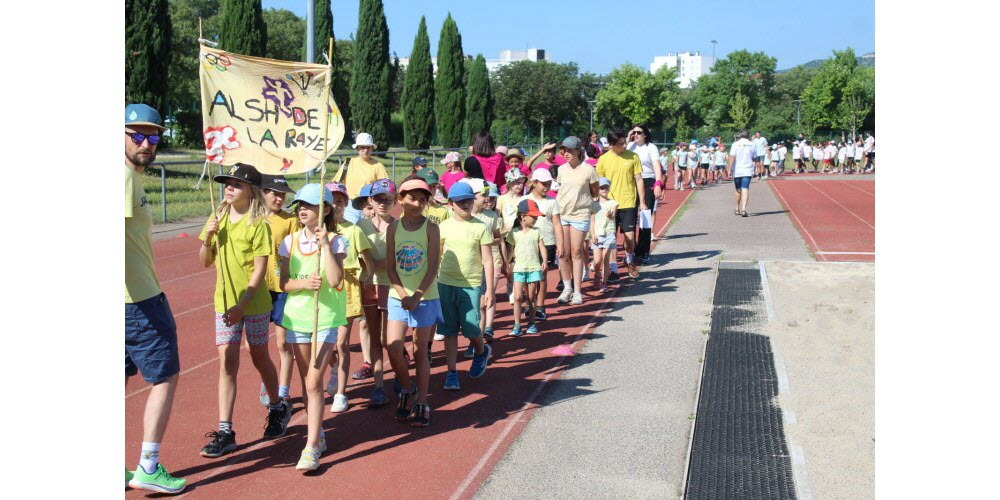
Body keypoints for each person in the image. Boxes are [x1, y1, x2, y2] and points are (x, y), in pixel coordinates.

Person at [198, 163, 291, 459]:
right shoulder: (217, 217)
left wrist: (243, 305)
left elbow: (260, 270)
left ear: (250, 190)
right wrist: (208, 238)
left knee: (259, 356)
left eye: (236, 184)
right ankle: (225, 430)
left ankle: (277, 407)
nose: (229, 187)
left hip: (254, 304)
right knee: (227, 360)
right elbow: (204, 261)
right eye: (227, 182)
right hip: (224, 303)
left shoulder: (258, 224)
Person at [124, 103, 187, 494]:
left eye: (153, 136)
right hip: (138, 301)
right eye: (137, 135)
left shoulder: (130, 178)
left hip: (130, 299)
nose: (146, 142)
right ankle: (148, 464)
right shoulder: (124, 181)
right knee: (164, 376)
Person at [276, 183, 347, 472]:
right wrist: (303, 284)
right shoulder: (289, 242)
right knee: (307, 382)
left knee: (314, 382)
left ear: (326, 209)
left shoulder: (337, 241)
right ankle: (318, 434)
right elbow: (282, 283)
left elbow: (335, 280)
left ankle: (310, 446)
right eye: (299, 205)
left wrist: (326, 247)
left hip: (326, 318)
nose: (302, 209)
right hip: (297, 319)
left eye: (309, 204)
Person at [385, 177, 446, 427]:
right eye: (411, 198)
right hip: (398, 296)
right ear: (400, 200)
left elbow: (432, 268)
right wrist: (403, 295)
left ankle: (422, 400)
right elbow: (390, 268)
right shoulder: (393, 228)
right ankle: (407, 388)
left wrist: (417, 295)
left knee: (421, 350)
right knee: (393, 346)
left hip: (425, 297)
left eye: (422, 200)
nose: (417, 203)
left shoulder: (431, 228)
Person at [436, 181, 495, 392]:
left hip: (470, 284)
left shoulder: (480, 226)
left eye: (468, 200)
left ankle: (481, 350)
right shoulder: (443, 227)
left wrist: (489, 290)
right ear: (451, 204)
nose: (464, 204)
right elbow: (437, 256)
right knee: (449, 330)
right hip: (445, 283)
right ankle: (451, 373)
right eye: (460, 201)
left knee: (471, 326)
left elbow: (487, 260)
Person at [324, 182, 376, 413]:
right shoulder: (318, 231)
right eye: (331, 201)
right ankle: (333, 368)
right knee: (324, 347)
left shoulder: (353, 231)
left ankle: (340, 393)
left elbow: (369, 262)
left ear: (346, 204)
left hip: (347, 289)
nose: (336, 205)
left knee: (341, 343)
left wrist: (367, 277)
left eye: (340, 201)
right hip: (323, 292)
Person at [257, 175, 299, 408]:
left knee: (283, 343)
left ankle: (282, 391)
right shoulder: (254, 220)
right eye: (273, 192)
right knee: (257, 345)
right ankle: (269, 378)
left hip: (282, 288)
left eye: (282, 193)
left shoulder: (290, 220)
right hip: (260, 288)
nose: (278, 197)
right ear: (262, 193)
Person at [355, 180, 397, 407]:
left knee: (389, 339)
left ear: (395, 201)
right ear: (371, 200)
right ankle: (379, 386)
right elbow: (357, 259)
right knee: (375, 337)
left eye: (388, 199)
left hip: (392, 288)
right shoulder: (360, 227)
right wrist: (376, 265)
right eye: (378, 198)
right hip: (369, 286)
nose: (383, 203)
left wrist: (374, 263)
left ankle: (400, 375)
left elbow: (396, 262)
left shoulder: (400, 226)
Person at [554, 136, 600, 305]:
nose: (566, 153)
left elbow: (595, 191)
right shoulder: (561, 170)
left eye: (570, 150)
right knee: (563, 253)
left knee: (576, 251)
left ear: (579, 151)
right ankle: (567, 288)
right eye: (564, 150)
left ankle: (578, 291)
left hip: (580, 214)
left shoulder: (588, 170)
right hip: (563, 214)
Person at [597, 128, 645, 279]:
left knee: (630, 239)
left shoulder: (633, 157)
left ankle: (629, 259)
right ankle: (613, 270)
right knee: (611, 240)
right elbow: (599, 183)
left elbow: (638, 179)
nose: (624, 146)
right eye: (620, 144)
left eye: (625, 142)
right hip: (610, 204)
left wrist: (642, 202)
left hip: (628, 202)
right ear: (611, 145)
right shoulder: (603, 159)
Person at [521, 169, 561, 320]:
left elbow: (557, 224)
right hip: (528, 244)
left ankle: (540, 306)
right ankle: (528, 303)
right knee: (527, 276)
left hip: (548, 242)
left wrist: (560, 244)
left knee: (542, 276)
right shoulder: (524, 200)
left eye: (549, 184)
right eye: (543, 184)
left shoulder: (552, 201)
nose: (547, 187)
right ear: (534, 183)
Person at [505, 199, 548, 336]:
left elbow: (542, 247)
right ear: (522, 216)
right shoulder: (514, 233)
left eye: (536, 217)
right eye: (533, 216)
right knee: (517, 297)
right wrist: (507, 263)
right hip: (519, 269)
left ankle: (531, 322)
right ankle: (517, 325)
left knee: (531, 297)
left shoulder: (537, 231)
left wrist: (545, 261)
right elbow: (510, 250)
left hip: (534, 268)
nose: (535, 219)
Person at [626, 123, 664, 266]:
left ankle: (644, 252)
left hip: (647, 181)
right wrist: (628, 137)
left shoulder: (651, 147)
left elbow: (656, 167)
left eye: (639, 132)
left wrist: (658, 183)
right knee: (630, 217)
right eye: (633, 132)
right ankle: (633, 250)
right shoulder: (629, 146)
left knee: (645, 217)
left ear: (645, 134)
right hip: (631, 183)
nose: (636, 135)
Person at [335, 132, 389, 223]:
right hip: (350, 207)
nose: (365, 150)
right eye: (362, 147)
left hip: (370, 206)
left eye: (368, 147)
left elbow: (385, 187)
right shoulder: (348, 163)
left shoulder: (378, 166)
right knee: (351, 233)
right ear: (357, 149)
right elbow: (336, 183)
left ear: (372, 148)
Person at [589, 177, 618, 294]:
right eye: (601, 187)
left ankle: (604, 282)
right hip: (597, 234)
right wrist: (592, 234)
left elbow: (613, 214)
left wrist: (610, 214)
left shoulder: (613, 203)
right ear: (597, 189)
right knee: (597, 260)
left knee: (606, 258)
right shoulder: (593, 205)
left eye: (606, 187)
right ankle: (596, 273)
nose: (604, 189)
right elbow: (592, 221)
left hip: (609, 233)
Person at [728, 130, 756, 217]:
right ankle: (743, 209)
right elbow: (754, 157)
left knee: (738, 189)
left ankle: (737, 208)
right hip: (747, 169)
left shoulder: (735, 144)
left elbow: (732, 156)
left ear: (740, 135)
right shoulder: (752, 144)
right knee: (745, 188)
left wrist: (729, 168)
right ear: (748, 136)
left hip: (737, 170)